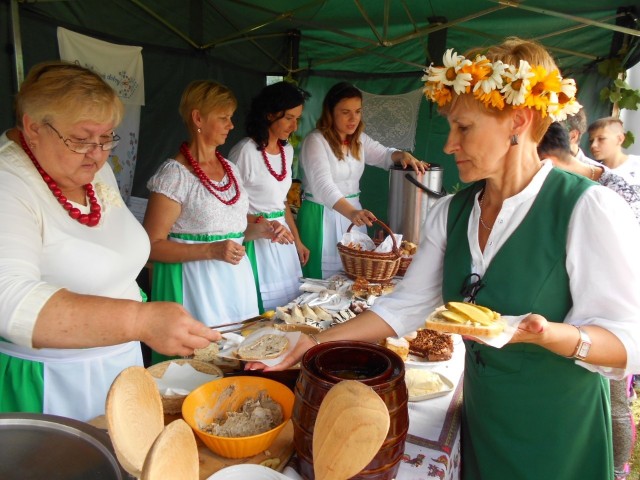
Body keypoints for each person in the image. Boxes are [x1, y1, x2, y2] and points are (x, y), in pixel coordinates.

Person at [250, 38, 640, 479]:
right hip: (483, 415)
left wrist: (550, 336)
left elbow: (628, 341)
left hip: (555, 429)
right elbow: (405, 305)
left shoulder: (586, 209)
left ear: (519, 120)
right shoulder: (451, 211)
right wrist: (315, 341)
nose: (450, 145)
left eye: (464, 128)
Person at [0, 61, 219, 422]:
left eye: (107, 138)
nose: (99, 153)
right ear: (33, 128)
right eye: (82, 139)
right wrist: (139, 320)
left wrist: (138, 322)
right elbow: (9, 300)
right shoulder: (9, 184)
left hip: (120, 361)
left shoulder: (90, 167)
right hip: (53, 382)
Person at [538, 121, 638, 479]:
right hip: (569, 317)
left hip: (612, 316)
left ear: (546, 160)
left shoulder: (616, 192)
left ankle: (616, 469)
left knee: (614, 401)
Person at [144, 80, 275, 341]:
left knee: (239, 354)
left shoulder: (230, 169)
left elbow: (230, 230)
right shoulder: (174, 175)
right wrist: (211, 250)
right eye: (224, 117)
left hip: (235, 282)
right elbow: (151, 245)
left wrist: (261, 230)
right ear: (197, 118)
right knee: (203, 361)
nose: (231, 125)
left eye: (231, 117)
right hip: (196, 286)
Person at [297, 81, 426, 279]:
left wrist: (402, 155)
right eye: (345, 112)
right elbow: (323, 186)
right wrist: (352, 212)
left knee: (355, 275)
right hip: (322, 216)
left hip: (353, 214)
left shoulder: (358, 139)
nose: (353, 118)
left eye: (357, 111)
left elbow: (384, 155)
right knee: (323, 278)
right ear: (330, 112)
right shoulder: (316, 141)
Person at [229, 82, 310, 311]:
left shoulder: (287, 151)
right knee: (261, 310)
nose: (294, 126)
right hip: (256, 239)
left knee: (288, 310)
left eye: (298, 119)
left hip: (282, 239)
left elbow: (281, 202)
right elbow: (229, 207)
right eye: (288, 118)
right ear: (269, 115)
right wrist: (261, 225)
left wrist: (297, 240)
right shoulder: (244, 151)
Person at [589, 117, 640, 184]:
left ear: (620, 139)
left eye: (601, 139)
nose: (593, 145)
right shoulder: (592, 171)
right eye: (591, 141)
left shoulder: (637, 165)